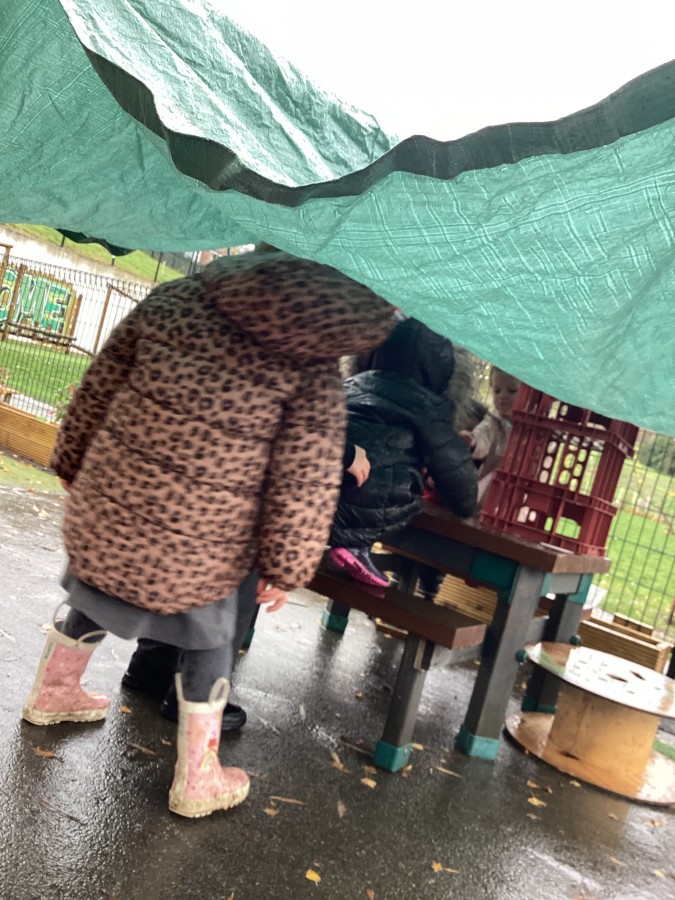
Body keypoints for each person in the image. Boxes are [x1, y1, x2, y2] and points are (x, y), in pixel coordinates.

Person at [21, 246, 394, 818]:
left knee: (97, 590)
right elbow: (306, 477)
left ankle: (52, 693)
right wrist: (286, 565)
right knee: (210, 640)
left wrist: (71, 459)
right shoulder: (312, 367)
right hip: (208, 540)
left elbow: (99, 386)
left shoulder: (177, 298)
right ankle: (197, 777)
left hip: (117, 500)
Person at [121, 439, 372, 732]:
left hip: (197, 463)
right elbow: (303, 435)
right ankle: (197, 695)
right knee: (236, 582)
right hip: (249, 480)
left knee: (186, 562)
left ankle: (152, 665)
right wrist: (344, 452)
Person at [327, 315, 478, 588]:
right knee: (400, 483)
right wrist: (466, 507)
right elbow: (458, 476)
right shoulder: (430, 409)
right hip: (365, 497)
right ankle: (355, 544)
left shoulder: (351, 386)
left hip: (323, 483)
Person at [460, 365, 521, 508]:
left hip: (521, 487)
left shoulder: (534, 427)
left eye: (512, 391)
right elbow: (483, 435)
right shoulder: (493, 421)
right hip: (493, 482)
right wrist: (473, 441)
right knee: (483, 501)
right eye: (497, 391)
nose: (502, 396)